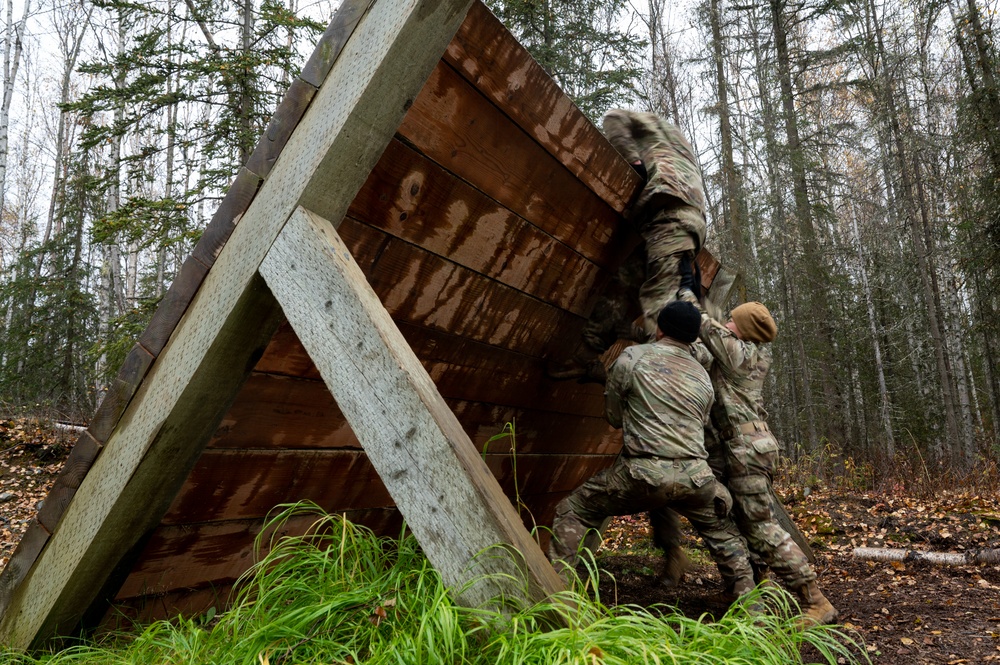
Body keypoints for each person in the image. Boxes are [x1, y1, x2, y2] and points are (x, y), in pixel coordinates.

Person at [548, 301, 754, 599]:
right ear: (694, 335)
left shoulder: (632, 357)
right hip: (697, 478)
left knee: (575, 510)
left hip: (642, 475)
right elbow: (700, 421)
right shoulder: (701, 375)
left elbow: (614, 417)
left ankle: (560, 599)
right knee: (724, 534)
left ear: (658, 328)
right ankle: (754, 610)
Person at [677, 271, 838, 626]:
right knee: (739, 517)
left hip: (746, 448)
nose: (727, 322)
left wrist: (686, 291)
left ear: (742, 329)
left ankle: (815, 600)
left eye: (733, 319)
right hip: (743, 445)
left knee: (760, 526)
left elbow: (705, 324)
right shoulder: (742, 354)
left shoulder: (739, 354)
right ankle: (754, 587)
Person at [548, 110, 708, 383]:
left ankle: (678, 385)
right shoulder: (678, 145)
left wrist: (633, 161)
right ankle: (584, 358)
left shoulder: (648, 124)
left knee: (662, 308)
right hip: (672, 221)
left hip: (674, 218)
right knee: (620, 288)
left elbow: (612, 117)